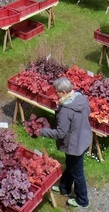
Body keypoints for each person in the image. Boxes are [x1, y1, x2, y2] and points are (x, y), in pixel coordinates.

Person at [37, 77, 92, 209]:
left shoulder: (66, 110)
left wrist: (42, 131)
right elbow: (88, 113)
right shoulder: (81, 98)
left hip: (74, 144)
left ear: (63, 92)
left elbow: (60, 133)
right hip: (84, 137)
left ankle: (82, 200)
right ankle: (65, 188)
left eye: (57, 92)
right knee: (71, 165)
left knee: (77, 172)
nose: (55, 94)